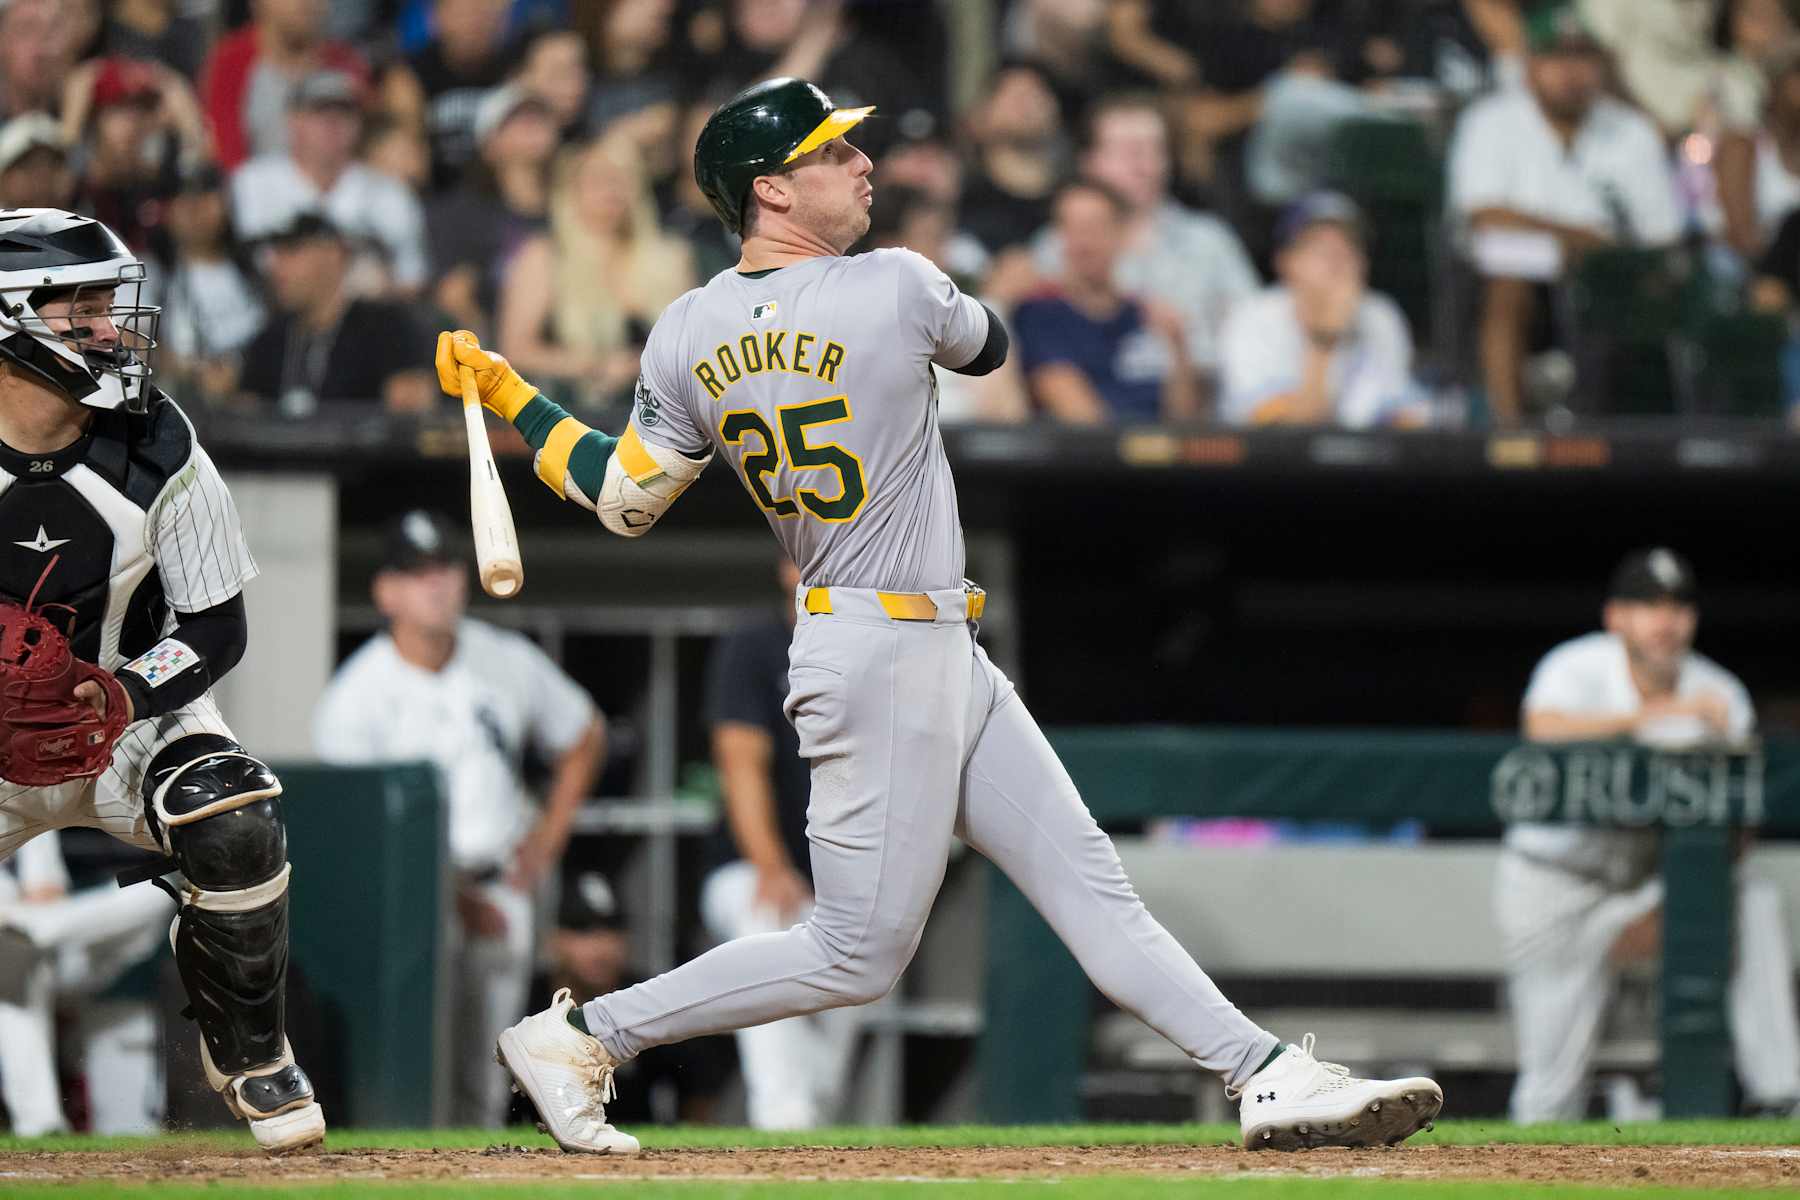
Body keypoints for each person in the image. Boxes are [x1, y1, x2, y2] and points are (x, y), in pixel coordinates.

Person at [440, 75, 1443, 1155]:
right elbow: (991, 344)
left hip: (909, 643)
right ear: (771, 191)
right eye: (833, 153)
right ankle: (585, 1036)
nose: (864, 164)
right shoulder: (897, 283)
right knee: (852, 952)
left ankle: (1265, 1072)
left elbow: (621, 496)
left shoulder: (686, 329)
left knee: (1088, 882)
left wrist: (510, 395)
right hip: (879, 646)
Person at [0, 207, 323, 1152]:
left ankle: (252, 1051)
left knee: (236, 813)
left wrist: (126, 696)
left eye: (109, 303)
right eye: (81, 308)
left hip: (125, 713)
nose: (110, 327)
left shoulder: (159, 439)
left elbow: (219, 625)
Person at [312, 509, 609, 1129]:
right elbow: (358, 830)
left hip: (499, 883)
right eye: (416, 572)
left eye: (445, 566)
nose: (437, 583)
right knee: (409, 1061)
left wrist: (548, 840)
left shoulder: (504, 659)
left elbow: (585, 734)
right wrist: (446, 893)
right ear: (385, 591)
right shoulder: (357, 693)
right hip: (403, 904)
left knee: (484, 1073)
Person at [1496, 548, 1800, 1121]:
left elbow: (1740, 827)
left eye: (1678, 606)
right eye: (1647, 605)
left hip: (1647, 884)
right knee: (1550, 1085)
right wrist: (1656, 715)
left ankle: (1781, 1095)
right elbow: (1543, 728)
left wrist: (1681, 904)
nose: (1665, 620)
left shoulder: (1720, 693)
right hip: (1554, 885)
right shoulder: (1576, 667)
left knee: (1755, 899)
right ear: (1616, 617)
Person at [1447, 0, 1682, 426]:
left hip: (1608, 280)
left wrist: (1597, 252)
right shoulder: (1491, 119)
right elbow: (1486, 216)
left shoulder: (1632, 131)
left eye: (1583, 58)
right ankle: (1509, 429)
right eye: (1556, 57)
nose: (1571, 73)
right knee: (1507, 286)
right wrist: (1578, 237)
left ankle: (1607, 433)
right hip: (1512, 275)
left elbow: (1661, 235)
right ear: (1530, 64)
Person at [698, 558, 861, 1129]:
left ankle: (802, 1133)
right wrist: (771, 864)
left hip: (840, 883)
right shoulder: (758, 644)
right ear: (786, 571)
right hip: (751, 868)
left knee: (828, 1067)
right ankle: (779, 1118)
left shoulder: (870, 654)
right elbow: (741, 764)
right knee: (762, 925)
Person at [1034, 95, 1260, 389]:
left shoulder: (1211, 241)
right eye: (1128, 152)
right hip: (1087, 416)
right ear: (1090, 163)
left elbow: (1252, 335)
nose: (1144, 166)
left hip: (1200, 414)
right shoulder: (1055, 246)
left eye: (1154, 151)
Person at [495, 134, 693, 408]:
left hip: (661, 416)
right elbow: (515, 349)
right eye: (599, 180)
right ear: (571, 190)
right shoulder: (545, 256)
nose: (612, 189)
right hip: (575, 415)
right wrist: (594, 365)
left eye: (622, 178)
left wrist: (638, 366)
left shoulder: (670, 257)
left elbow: (691, 348)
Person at [0, 829, 173, 1136]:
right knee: (12, 975)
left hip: (59, 948)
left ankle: (34, 930)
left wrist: (26, 920)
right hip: (17, 964)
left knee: (161, 888)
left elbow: (47, 891)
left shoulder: (19, 806)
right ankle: (40, 1124)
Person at [530, 870, 731, 1126]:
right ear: (556, 940)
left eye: (611, 930)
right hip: (538, 1142)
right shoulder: (531, 1000)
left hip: (634, 1144)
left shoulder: (643, 998)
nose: (601, 947)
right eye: (584, 931)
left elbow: (697, 1084)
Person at [1217, 192, 1421, 428]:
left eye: (1349, 247)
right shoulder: (1253, 319)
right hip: (1269, 464)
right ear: (1285, 262)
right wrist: (1324, 340)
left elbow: (1406, 426)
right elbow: (1284, 437)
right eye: (1320, 248)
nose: (1337, 259)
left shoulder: (1380, 316)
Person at [230, 70, 429, 297]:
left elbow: (412, 279)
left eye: (344, 111)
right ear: (293, 120)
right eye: (320, 111)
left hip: (368, 319)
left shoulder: (390, 194)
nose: (332, 123)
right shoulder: (253, 183)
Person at [1016, 178, 1196, 423]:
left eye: (1093, 228)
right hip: (1091, 457)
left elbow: (1184, 419)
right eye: (1070, 228)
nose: (1082, 242)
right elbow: (1078, 414)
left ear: (1122, 234)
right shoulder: (1039, 314)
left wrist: (1179, 348)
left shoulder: (1147, 315)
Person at [235, 213, 435, 413]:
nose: (277, 267)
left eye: (291, 250)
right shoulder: (270, 342)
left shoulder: (384, 329)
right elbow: (245, 417)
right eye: (274, 253)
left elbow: (409, 409)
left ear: (334, 254)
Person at [426, 84, 557, 338]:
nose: (531, 123)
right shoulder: (465, 213)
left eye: (539, 116)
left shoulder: (574, 202)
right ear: (489, 145)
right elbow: (454, 295)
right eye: (514, 119)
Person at [149, 162, 268, 408]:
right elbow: (136, 347)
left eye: (205, 195)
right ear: (167, 211)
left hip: (249, 401)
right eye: (183, 199)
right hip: (180, 404)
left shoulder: (258, 272)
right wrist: (185, 369)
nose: (195, 208)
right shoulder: (151, 274)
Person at [198, 0, 369, 171]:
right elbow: (224, 156)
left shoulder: (347, 66)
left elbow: (365, 154)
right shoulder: (229, 65)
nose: (305, 4)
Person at [382, 0, 515, 190]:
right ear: (435, 19)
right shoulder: (410, 74)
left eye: (481, 13)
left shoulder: (514, 70)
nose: (473, 23)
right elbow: (404, 144)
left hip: (499, 192)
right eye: (462, 14)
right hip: (435, 190)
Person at [0, 112, 73, 212]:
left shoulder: (89, 224)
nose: (43, 178)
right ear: (3, 177)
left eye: (52, 166)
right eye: (28, 167)